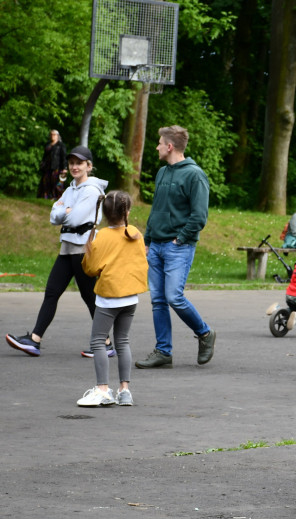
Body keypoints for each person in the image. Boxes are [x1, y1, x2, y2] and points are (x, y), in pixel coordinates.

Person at [6, 146, 109, 358]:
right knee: (52, 292)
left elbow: (75, 219)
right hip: (66, 249)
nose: (74, 166)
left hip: (83, 250)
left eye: (79, 163)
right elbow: (54, 216)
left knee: (90, 297)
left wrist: (65, 212)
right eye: (71, 163)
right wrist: (65, 211)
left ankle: (106, 343)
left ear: (88, 166)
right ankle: (34, 340)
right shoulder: (70, 190)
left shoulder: (92, 190)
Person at [135, 125, 217, 369]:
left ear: (169, 146)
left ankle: (204, 333)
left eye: (160, 143)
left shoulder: (195, 175)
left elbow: (199, 216)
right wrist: (148, 241)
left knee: (173, 297)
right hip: (156, 246)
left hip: (177, 247)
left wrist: (180, 239)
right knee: (158, 300)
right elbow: (156, 211)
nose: (157, 146)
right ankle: (163, 351)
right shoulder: (162, 173)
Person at [77, 191, 148, 407]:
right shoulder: (135, 233)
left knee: (98, 341)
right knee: (123, 341)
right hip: (131, 297)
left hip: (109, 298)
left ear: (104, 213)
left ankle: (102, 389)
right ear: (127, 211)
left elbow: (89, 269)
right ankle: (124, 391)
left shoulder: (101, 237)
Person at [37, 129, 68, 200]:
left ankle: (56, 197)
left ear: (57, 136)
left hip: (57, 167)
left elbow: (64, 157)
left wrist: (65, 168)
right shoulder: (48, 145)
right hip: (47, 167)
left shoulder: (61, 145)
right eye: (51, 134)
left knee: (56, 183)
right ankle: (46, 196)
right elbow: (44, 156)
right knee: (46, 181)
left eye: (54, 135)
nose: (52, 136)